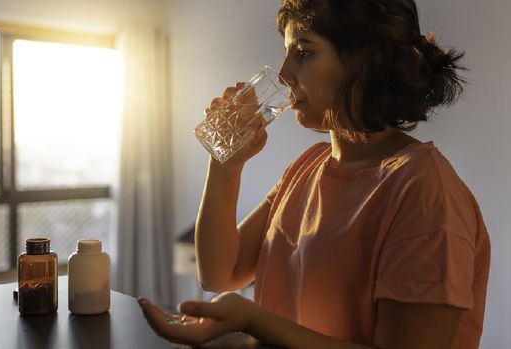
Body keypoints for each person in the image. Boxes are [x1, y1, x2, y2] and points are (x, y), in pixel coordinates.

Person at [138, 0, 491, 348]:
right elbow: (219, 273)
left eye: (303, 52)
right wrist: (224, 164)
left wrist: (254, 321)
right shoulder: (309, 166)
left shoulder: (423, 190)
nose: (283, 74)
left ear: (365, 61)